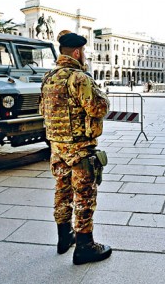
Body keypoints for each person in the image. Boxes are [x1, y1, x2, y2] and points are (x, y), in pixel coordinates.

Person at [40, 32, 112, 264]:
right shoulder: (79, 78)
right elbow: (98, 109)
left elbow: (43, 110)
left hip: (57, 148)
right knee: (84, 195)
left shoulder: (49, 77)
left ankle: (64, 237)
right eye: (85, 53)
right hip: (79, 149)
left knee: (62, 191)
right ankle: (85, 246)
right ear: (78, 53)